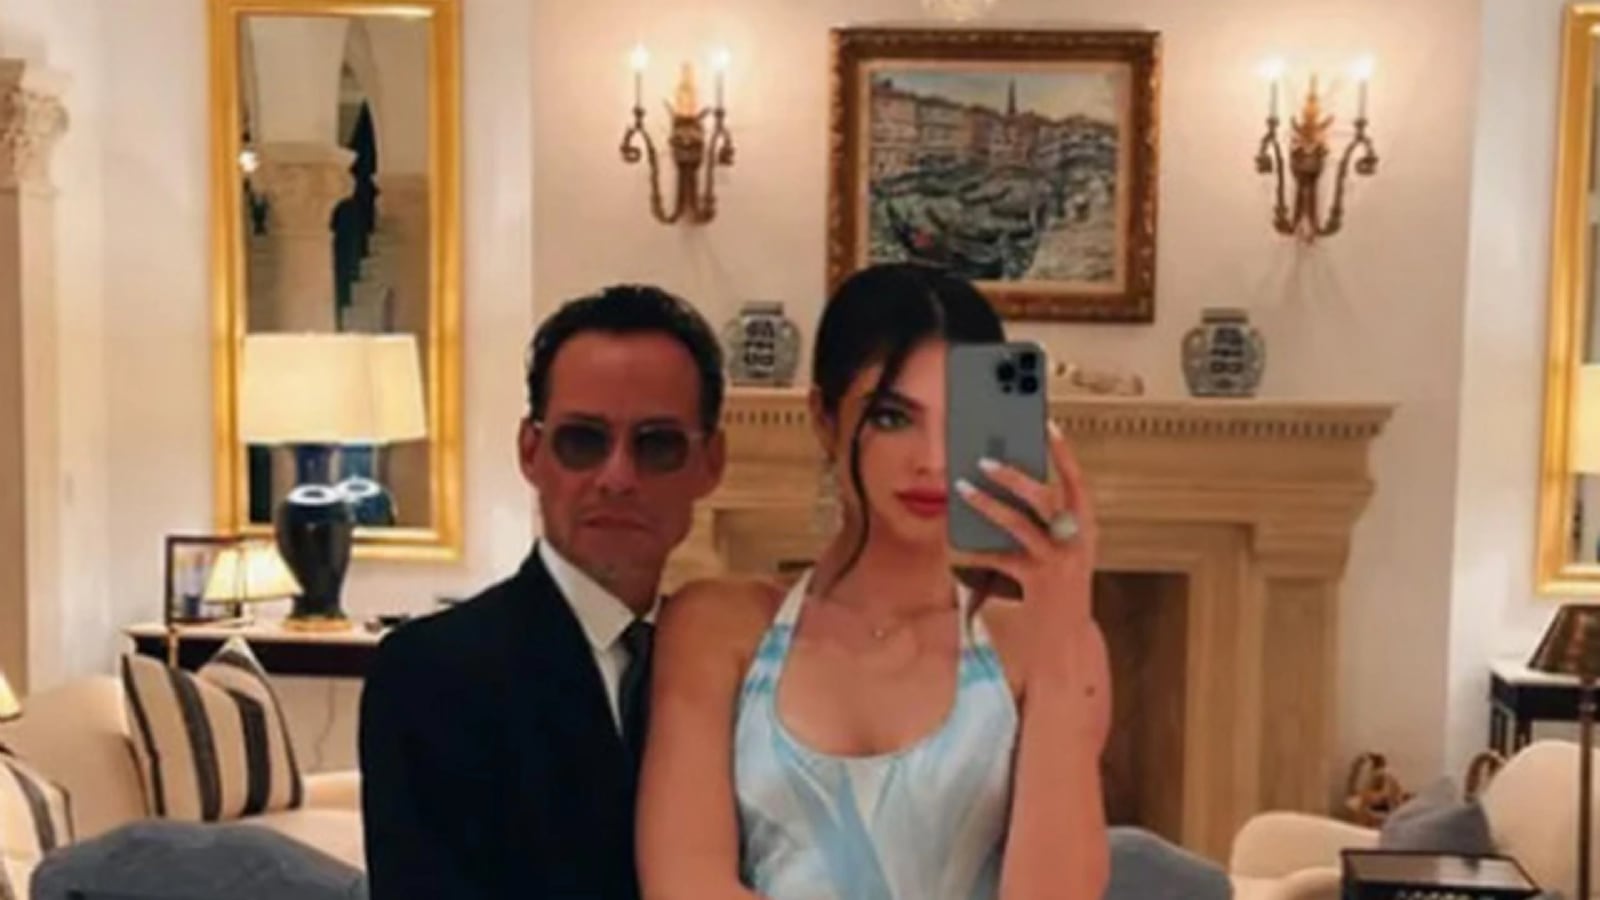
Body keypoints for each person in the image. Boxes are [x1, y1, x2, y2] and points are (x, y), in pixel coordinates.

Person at [637, 263, 1112, 899]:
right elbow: (685, 884)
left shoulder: (1043, 647)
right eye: (892, 417)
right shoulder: (717, 626)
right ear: (824, 418)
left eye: (959, 421)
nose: (932, 460)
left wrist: (1062, 630)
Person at [359, 285, 728, 899]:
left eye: (656, 444)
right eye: (583, 441)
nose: (617, 477)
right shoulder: (432, 673)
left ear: (711, 461)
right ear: (531, 452)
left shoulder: (727, 671)